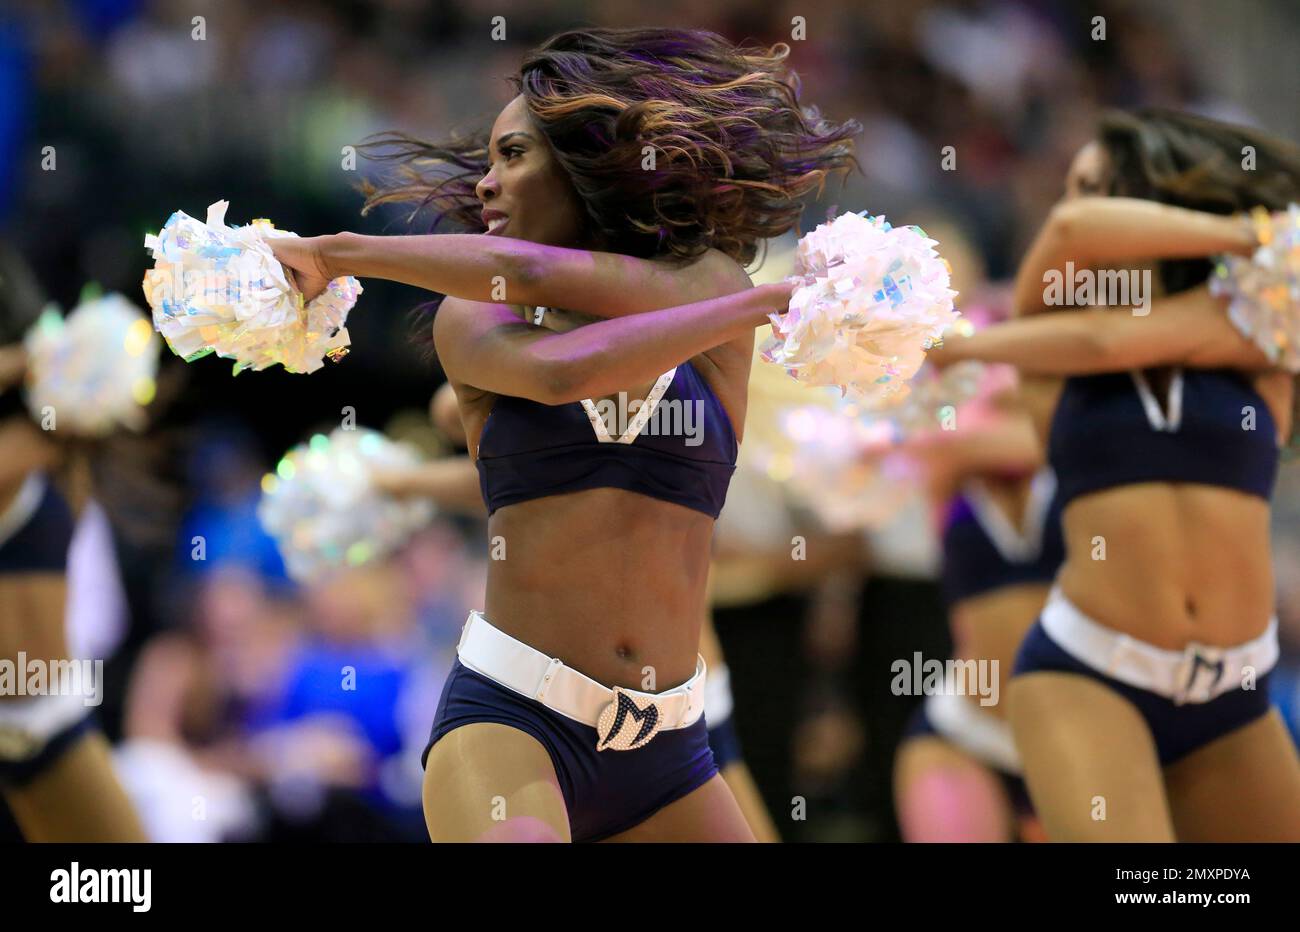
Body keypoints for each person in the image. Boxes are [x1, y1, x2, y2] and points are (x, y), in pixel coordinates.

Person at [270, 26, 857, 842]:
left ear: (585, 165)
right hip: (514, 722)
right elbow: (559, 370)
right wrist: (340, 254)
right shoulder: (474, 315)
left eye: (512, 155)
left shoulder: (709, 284)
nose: (485, 182)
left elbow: (573, 288)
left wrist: (342, 257)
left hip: (671, 749)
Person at [930, 108, 1300, 841]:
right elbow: (1077, 258)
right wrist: (1259, 238)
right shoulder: (1050, 336)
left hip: (1235, 684)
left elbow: (1115, 335)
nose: (1078, 208)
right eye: (1073, 188)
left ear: (1156, 204)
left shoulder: (1266, 326)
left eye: (1100, 188)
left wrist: (979, 345)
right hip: (1088, 675)